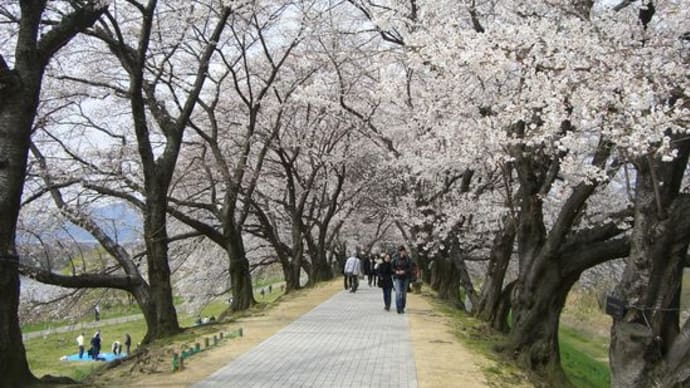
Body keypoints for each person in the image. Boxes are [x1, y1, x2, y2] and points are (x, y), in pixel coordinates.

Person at [392, 246, 413, 313]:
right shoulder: (395, 259)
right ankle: (398, 308)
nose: (402, 252)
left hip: (405, 278)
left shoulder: (408, 259)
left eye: (403, 251)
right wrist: (396, 271)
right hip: (398, 278)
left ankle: (402, 307)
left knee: (403, 294)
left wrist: (404, 271)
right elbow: (392, 267)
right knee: (398, 293)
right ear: (399, 252)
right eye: (400, 251)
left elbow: (410, 268)